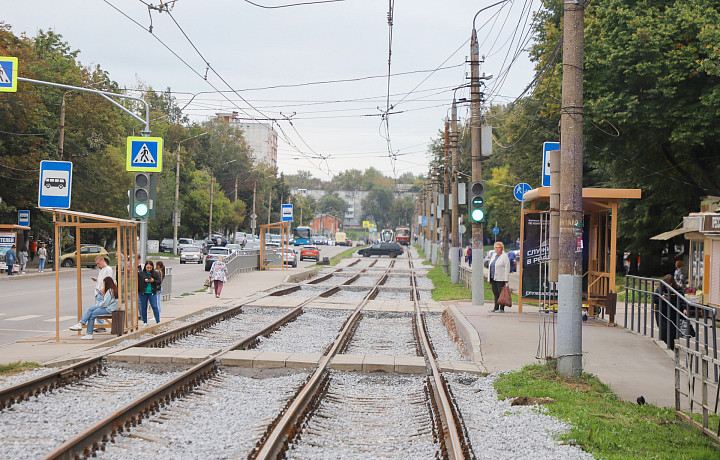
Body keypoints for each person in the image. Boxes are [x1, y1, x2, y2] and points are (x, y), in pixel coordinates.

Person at [653, 274, 680, 348]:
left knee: (672, 330)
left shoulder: (677, 289)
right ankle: (664, 346)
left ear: (672, 283)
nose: (667, 286)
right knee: (663, 328)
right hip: (662, 311)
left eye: (669, 284)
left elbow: (680, 300)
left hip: (672, 312)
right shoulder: (660, 288)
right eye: (666, 284)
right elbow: (654, 299)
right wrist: (661, 298)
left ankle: (671, 347)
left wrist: (669, 298)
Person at [487, 241, 511, 312]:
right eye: (496, 247)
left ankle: (501, 308)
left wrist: (506, 279)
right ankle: (495, 307)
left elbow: (507, 268)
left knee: (501, 293)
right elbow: (490, 266)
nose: (497, 249)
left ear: (502, 248)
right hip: (493, 277)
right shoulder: (494, 255)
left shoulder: (504, 256)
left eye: (498, 247)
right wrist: (489, 278)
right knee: (495, 293)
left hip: (501, 278)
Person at [138, 261, 162, 327]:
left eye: (150, 267)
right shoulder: (141, 274)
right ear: (145, 267)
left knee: (154, 306)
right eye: (147, 267)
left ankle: (158, 320)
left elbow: (159, 281)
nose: (149, 269)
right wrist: (144, 281)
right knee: (144, 307)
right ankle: (145, 321)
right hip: (143, 292)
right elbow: (138, 283)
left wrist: (153, 281)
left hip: (152, 292)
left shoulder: (155, 274)